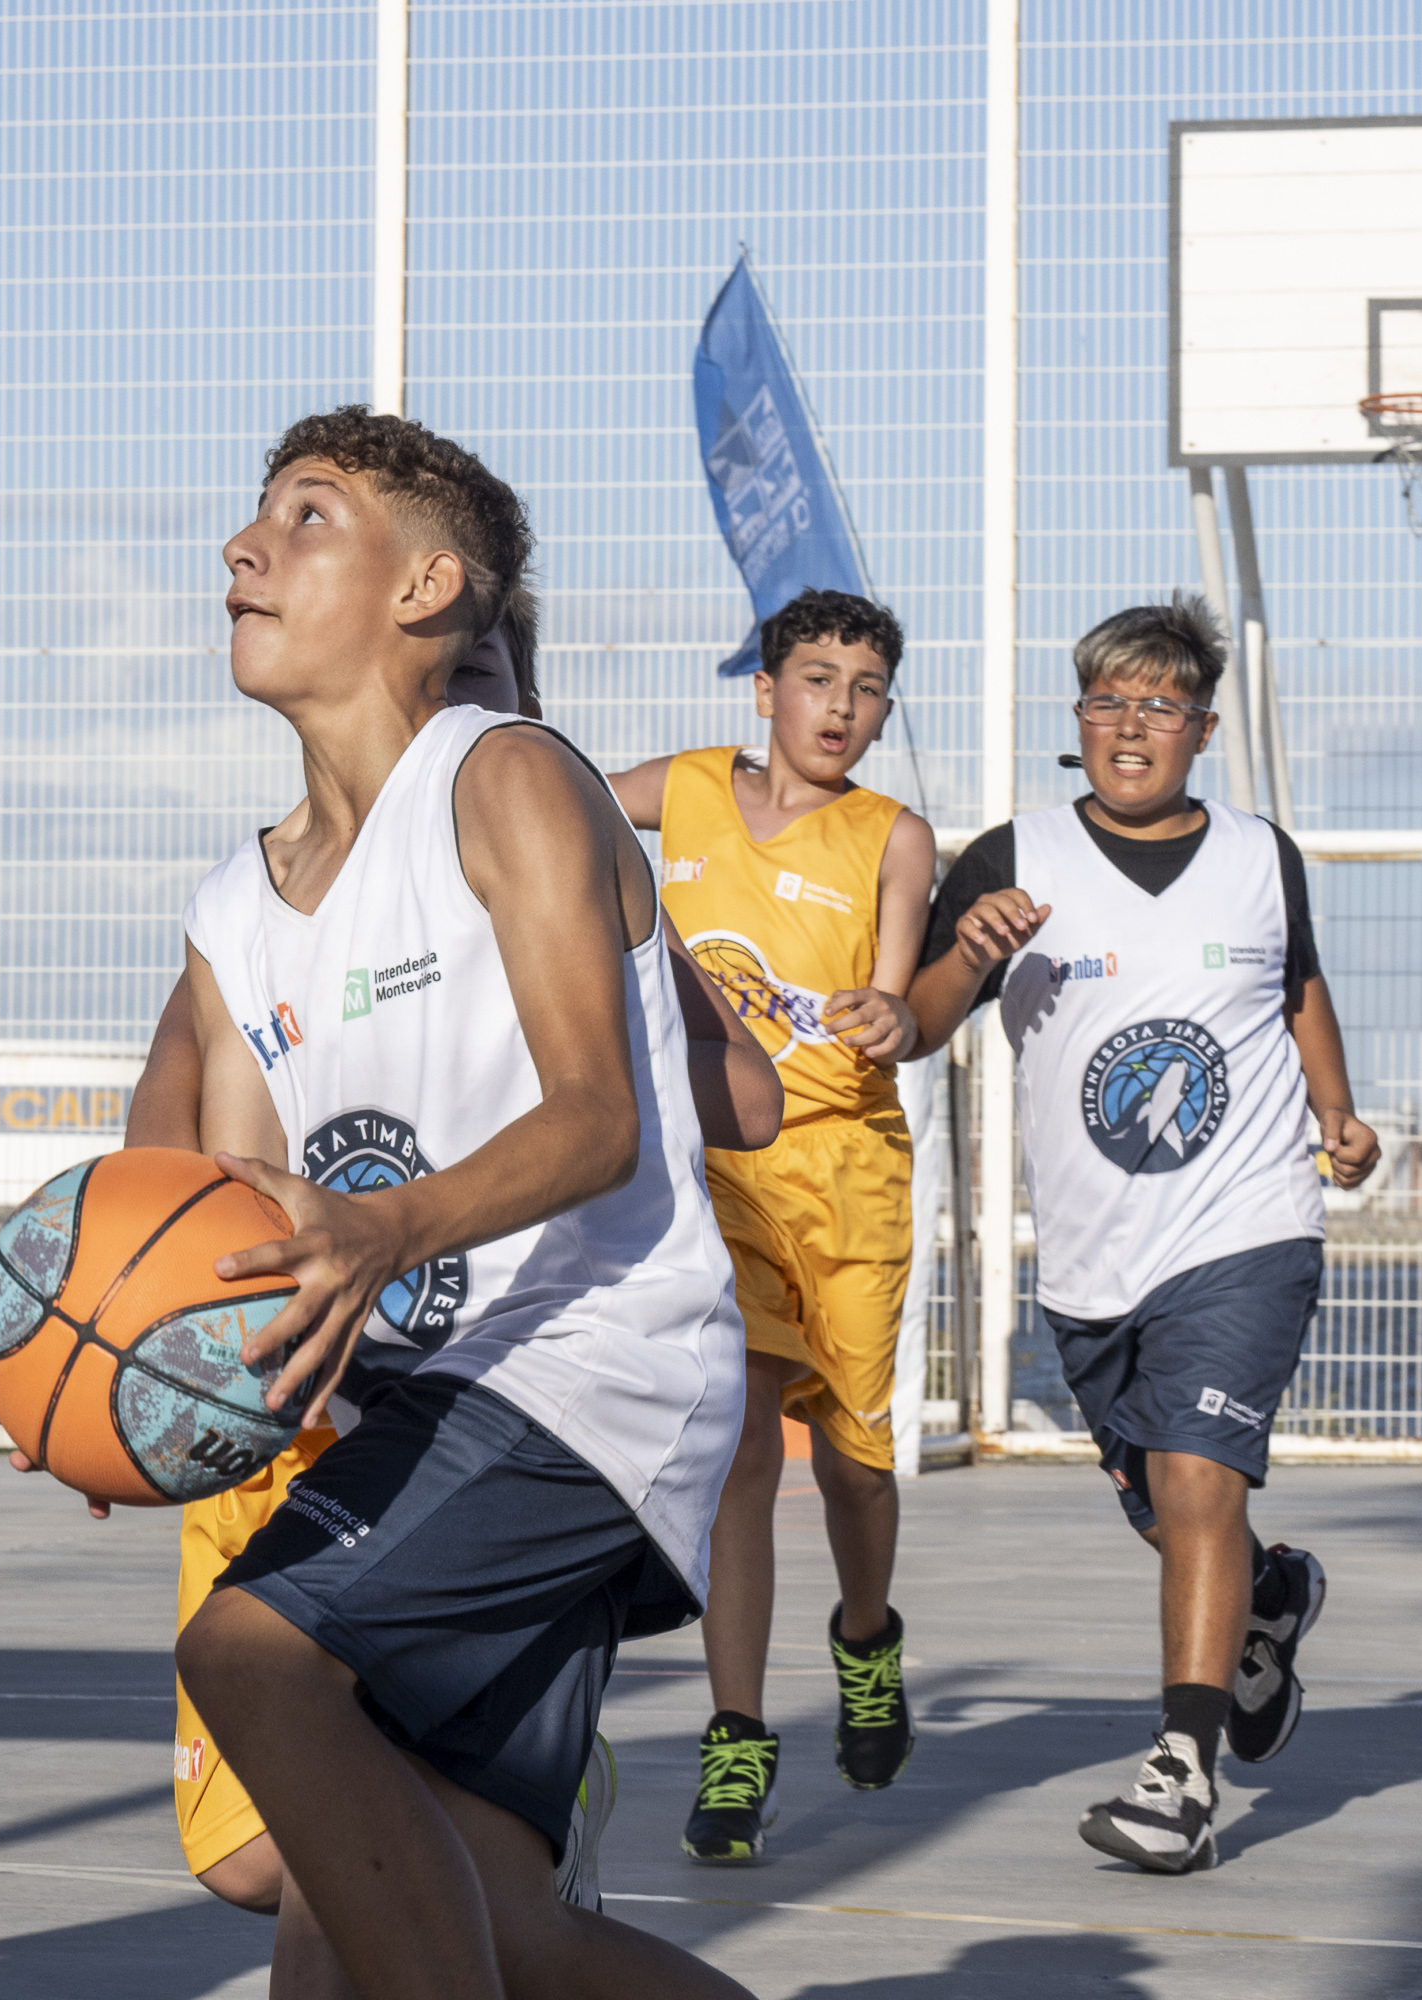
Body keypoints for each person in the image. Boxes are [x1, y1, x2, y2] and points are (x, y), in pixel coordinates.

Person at [161, 404, 755, 1999]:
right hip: (427, 1400)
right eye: (253, 516)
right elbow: (212, 1198)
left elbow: (600, 1124)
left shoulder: (510, 778)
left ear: (427, 587)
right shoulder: (239, 906)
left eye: (305, 518)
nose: (245, 547)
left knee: (248, 1656)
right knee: (433, 1924)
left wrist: (382, 1226)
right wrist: (131, 1372)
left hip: (592, 1368)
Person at [904, 594, 1377, 1875]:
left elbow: (1296, 984)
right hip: (1094, 1259)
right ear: (1079, 720)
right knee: (1171, 1507)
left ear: (1202, 728)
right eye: (1108, 700)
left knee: (1197, 1479)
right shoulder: (1013, 855)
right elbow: (918, 1022)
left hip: (1248, 1225)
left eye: (1158, 703)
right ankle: (1266, 1599)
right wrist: (966, 953)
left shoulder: (1260, 855)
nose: (1130, 724)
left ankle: (1181, 1773)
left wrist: (1336, 1110)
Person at [605, 587, 934, 1862]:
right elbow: (535, 786)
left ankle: (866, 1635)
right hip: (720, 1168)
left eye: (863, 687)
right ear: (765, 687)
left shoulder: (893, 837)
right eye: (816, 678)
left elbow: (897, 1003)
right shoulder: (682, 791)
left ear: (883, 709)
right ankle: (736, 1733)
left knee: (852, 1457)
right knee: (742, 1450)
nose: (838, 705)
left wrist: (888, 1016)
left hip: (846, 1174)